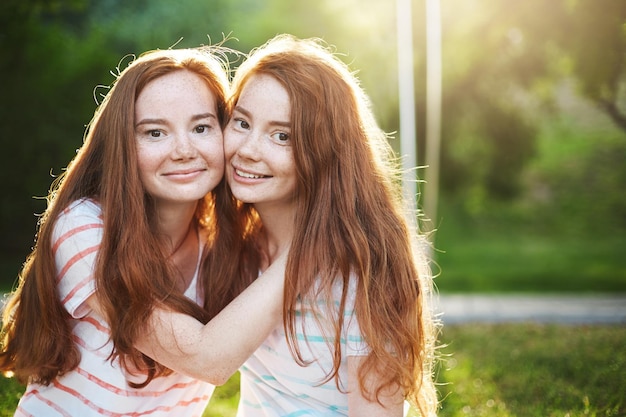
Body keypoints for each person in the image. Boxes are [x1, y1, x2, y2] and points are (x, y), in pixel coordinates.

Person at [0, 47, 286, 416]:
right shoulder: (83, 229)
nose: (183, 150)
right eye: (155, 133)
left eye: (201, 128)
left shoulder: (228, 248)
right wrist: (306, 246)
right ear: (124, 145)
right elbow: (205, 360)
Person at [222, 34, 440, 417]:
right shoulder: (244, 244)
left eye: (282, 135)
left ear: (325, 151)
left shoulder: (357, 272)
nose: (248, 149)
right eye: (242, 122)